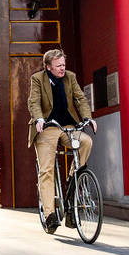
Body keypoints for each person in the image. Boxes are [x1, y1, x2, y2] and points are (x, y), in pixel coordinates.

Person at [29, 48, 96, 234]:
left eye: (63, 65)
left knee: (86, 141)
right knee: (46, 170)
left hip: (67, 126)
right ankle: (50, 215)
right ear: (48, 67)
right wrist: (39, 119)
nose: (62, 68)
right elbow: (34, 102)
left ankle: (73, 180)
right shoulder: (37, 79)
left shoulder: (70, 77)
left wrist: (88, 118)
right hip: (47, 127)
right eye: (58, 66)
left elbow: (80, 99)